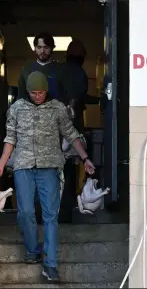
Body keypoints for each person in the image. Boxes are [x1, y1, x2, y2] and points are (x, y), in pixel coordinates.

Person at [0, 71, 95, 282]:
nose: (37, 96)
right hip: (23, 166)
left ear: (46, 91)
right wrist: (1, 165)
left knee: (50, 215)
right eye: (33, 93)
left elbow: (71, 134)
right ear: (27, 91)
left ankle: (51, 264)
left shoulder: (58, 108)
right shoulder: (17, 109)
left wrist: (85, 158)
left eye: (40, 92)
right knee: (26, 212)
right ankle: (32, 249)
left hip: (49, 167)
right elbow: (10, 138)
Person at [56, 39, 89, 223]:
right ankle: (66, 212)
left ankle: (55, 210)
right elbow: (75, 100)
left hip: (55, 127)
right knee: (69, 170)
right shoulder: (79, 73)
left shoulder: (59, 71)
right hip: (71, 126)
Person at [17, 32, 62, 102]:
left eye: (46, 47)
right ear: (34, 48)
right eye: (39, 47)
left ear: (52, 48)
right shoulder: (26, 70)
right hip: (31, 112)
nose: (42, 51)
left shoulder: (61, 69)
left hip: (55, 111)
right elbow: (20, 98)